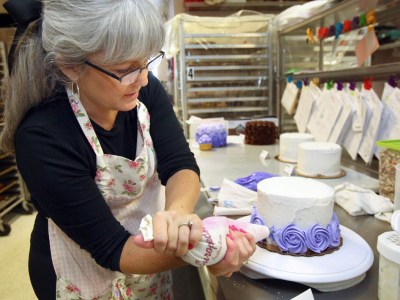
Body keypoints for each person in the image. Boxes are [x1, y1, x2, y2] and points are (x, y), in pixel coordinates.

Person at [0, 0, 257, 299]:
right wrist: (210, 249)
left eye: (146, 62)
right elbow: (114, 249)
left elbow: (179, 164)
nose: (144, 79)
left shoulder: (144, 91)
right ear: (70, 65)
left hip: (148, 262)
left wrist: (178, 215)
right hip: (82, 270)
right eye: (125, 69)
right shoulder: (43, 137)